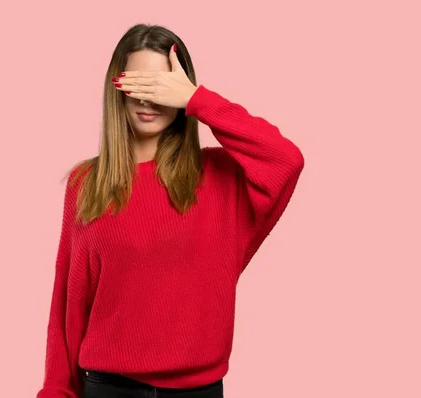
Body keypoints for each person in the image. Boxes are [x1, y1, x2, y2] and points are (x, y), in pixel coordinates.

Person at [36, 23, 305, 398]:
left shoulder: (221, 177)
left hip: (199, 391)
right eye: (138, 85)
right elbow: (68, 298)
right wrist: (56, 390)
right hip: (107, 388)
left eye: (162, 87)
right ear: (118, 89)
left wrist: (198, 100)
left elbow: (286, 160)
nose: (149, 99)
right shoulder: (87, 182)